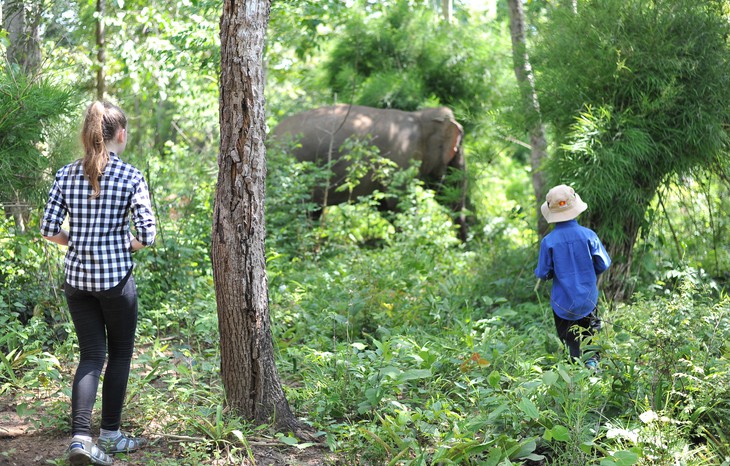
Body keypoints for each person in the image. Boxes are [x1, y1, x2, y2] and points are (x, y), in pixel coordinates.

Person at [41, 101, 156, 466]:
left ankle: (79, 439)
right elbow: (148, 234)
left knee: (91, 356)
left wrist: (76, 242)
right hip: (116, 283)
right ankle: (110, 435)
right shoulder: (131, 176)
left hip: (77, 281)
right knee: (119, 354)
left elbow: (47, 229)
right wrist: (124, 244)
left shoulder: (65, 174)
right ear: (120, 134)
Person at [534, 184, 611, 369]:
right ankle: (593, 368)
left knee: (570, 342)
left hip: (562, 303)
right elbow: (603, 263)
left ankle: (574, 372)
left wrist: (554, 271)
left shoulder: (549, 242)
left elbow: (543, 273)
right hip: (588, 299)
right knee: (591, 338)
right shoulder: (588, 235)